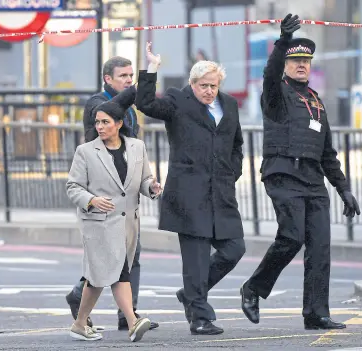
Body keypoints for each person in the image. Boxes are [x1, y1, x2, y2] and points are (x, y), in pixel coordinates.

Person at [239, 14, 361, 330]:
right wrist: (282, 42)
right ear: (287, 65)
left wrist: (343, 188)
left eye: (306, 60)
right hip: (282, 175)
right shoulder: (276, 93)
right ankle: (253, 288)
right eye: (296, 61)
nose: (302, 65)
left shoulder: (316, 102)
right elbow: (269, 72)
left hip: (313, 180)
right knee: (292, 236)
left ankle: (316, 313)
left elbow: (328, 153)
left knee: (320, 247)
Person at [135, 42, 246, 335]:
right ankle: (199, 317)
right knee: (195, 261)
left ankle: (190, 294)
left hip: (221, 193)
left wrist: (234, 170)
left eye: (213, 85)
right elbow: (145, 103)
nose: (209, 91)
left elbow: (237, 144)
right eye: (203, 85)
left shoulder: (229, 105)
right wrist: (151, 69)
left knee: (234, 248)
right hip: (189, 194)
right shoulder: (177, 101)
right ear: (192, 84)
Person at [67, 56, 159, 332]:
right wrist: (149, 73)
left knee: (126, 260)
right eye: (124, 76)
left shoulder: (128, 118)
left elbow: (135, 159)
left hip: (125, 205)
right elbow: (120, 105)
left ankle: (119, 314)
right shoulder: (99, 104)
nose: (129, 81)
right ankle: (130, 319)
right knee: (110, 265)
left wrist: (149, 185)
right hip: (101, 202)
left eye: (132, 75)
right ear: (107, 79)